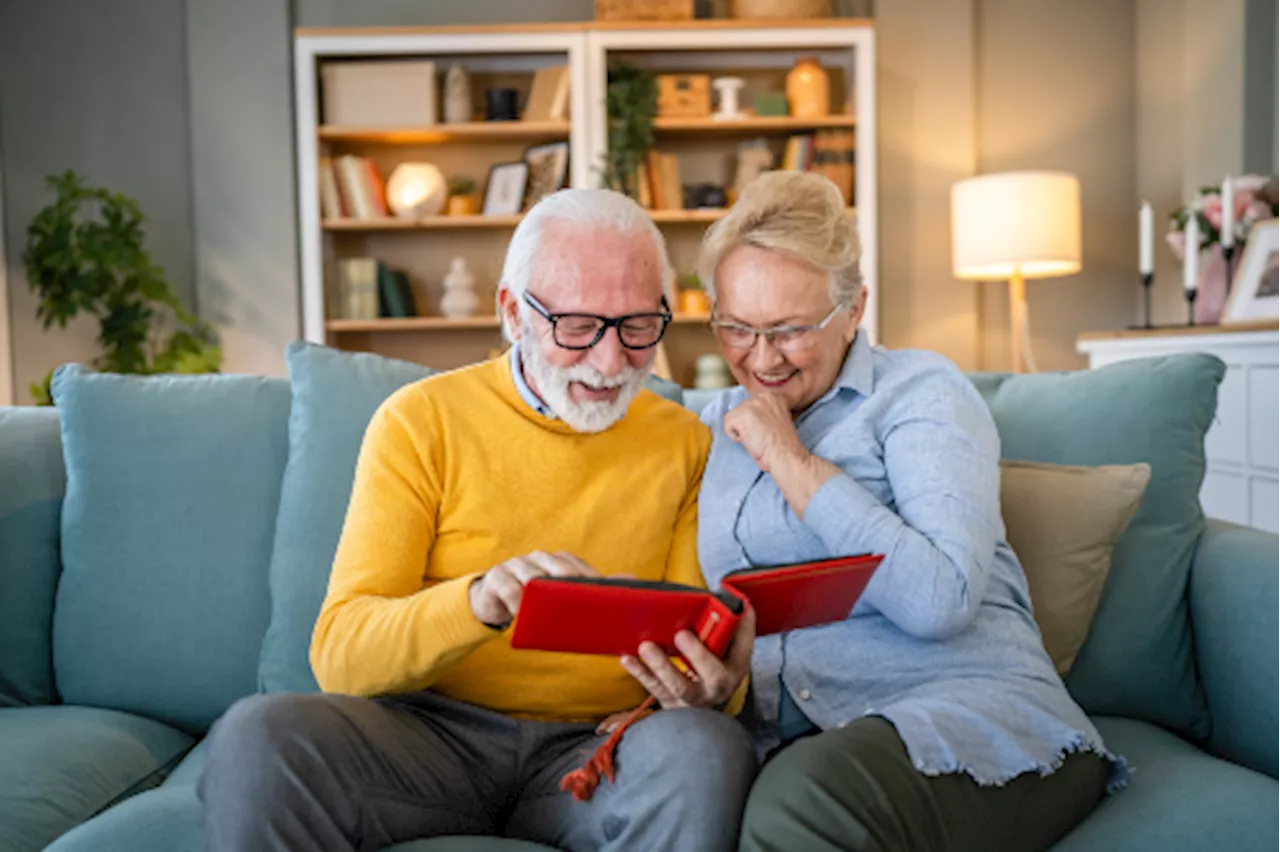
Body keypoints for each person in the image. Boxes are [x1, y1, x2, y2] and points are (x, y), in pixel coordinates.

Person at [197, 188, 757, 852]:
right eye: (577, 327)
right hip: (426, 739)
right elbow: (342, 658)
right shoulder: (420, 422)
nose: (610, 363)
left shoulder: (686, 442)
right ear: (513, 312)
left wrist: (714, 692)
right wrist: (478, 601)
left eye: (637, 327)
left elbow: (692, 642)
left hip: (600, 748)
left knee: (708, 749)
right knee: (260, 737)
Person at [622, 171, 1122, 852]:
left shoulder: (922, 393)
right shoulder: (714, 426)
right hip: (802, 742)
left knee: (797, 803)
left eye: (790, 330)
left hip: (967, 718)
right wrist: (712, 687)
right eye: (735, 327)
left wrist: (792, 461)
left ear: (855, 309)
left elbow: (940, 598)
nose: (760, 359)